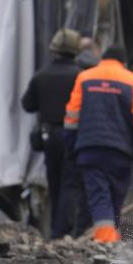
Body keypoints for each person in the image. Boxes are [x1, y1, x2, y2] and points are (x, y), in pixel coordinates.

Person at [63, 44, 133, 242]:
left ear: (102, 58)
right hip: (120, 152)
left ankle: (104, 239)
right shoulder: (132, 81)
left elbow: (71, 118)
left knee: (98, 196)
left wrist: (70, 148)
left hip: (90, 149)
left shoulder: (84, 78)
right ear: (124, 62)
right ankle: (108, 241)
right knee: (114, 198)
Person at [21, 28, 91, 239]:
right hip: (74, 135)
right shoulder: (81, 76)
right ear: (76, 50)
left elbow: (27, 104)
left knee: (55, 182)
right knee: (71, 182)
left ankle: (55, 231)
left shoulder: (41, 75)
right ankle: (62, 231)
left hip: (48, 136)